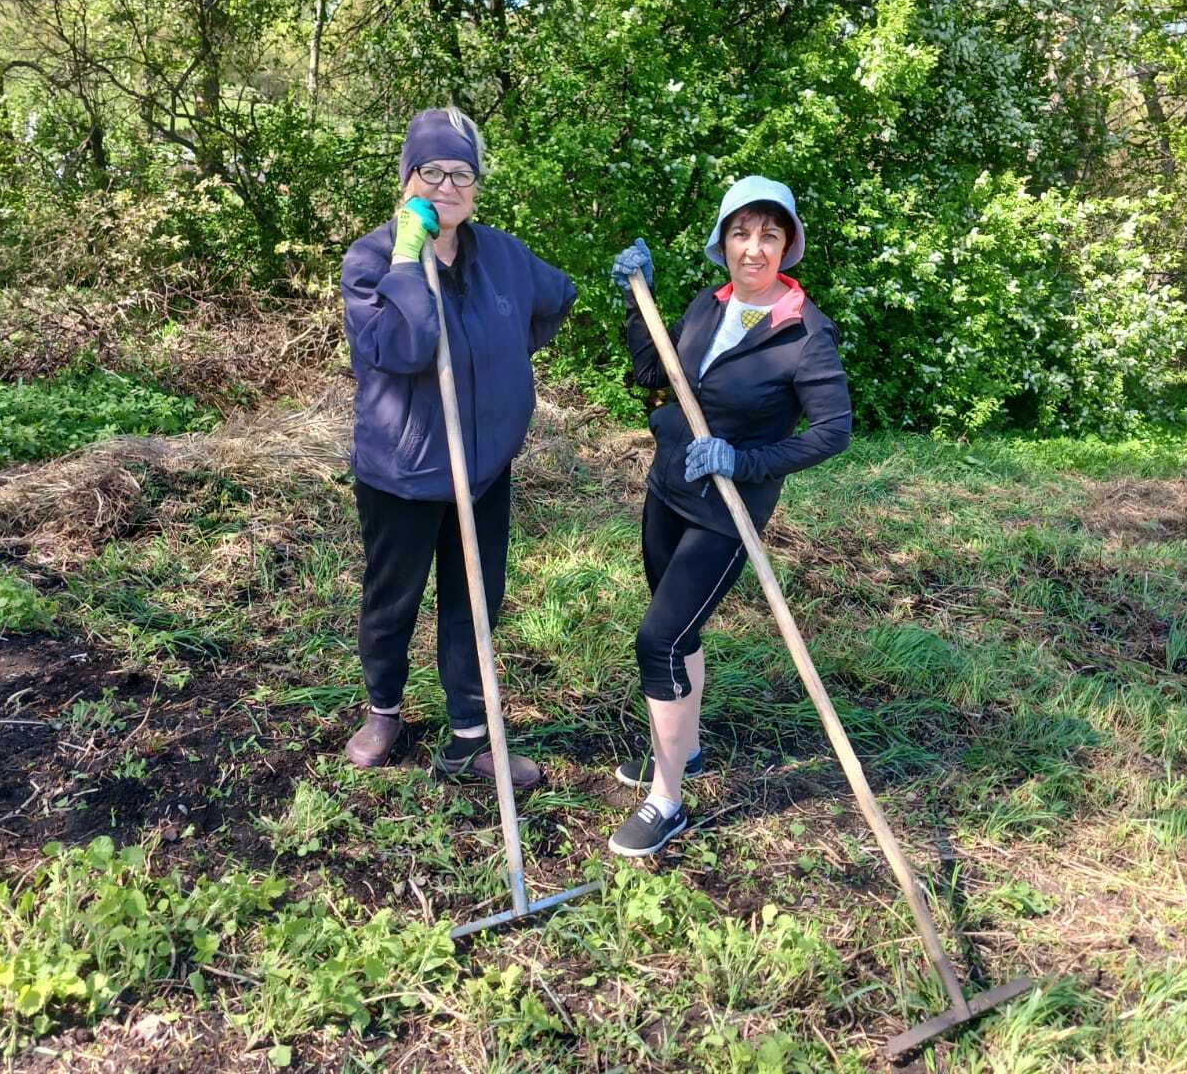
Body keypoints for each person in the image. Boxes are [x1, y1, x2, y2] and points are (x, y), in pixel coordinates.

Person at [607, 176, 852, 855]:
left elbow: (833, 433)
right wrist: (637, 301)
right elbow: (651, 371)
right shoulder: (706, 308)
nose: (754, 247)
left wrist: (742, 461)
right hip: (668, 490)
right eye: (741, 232)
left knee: (658, 641)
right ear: (723, 241)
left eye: (769, 234)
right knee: (679, 634)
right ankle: (681, 750)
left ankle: (666, 802)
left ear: (788, 245)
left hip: (727, 511)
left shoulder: (803, 333)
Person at [340, 107, 576, 786]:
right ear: (407, 176)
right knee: (393, 599)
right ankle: (384, 710)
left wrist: (502, 357)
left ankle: (470, 738)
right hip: (403, 471)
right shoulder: (369, 259)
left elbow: (557, 297)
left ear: (477, 184)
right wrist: (408, 259)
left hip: (482, 467)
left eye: (461, 173)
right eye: (431, 170)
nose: (447, 186)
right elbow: (407, 348)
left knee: (475, 600)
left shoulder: (501, 254)